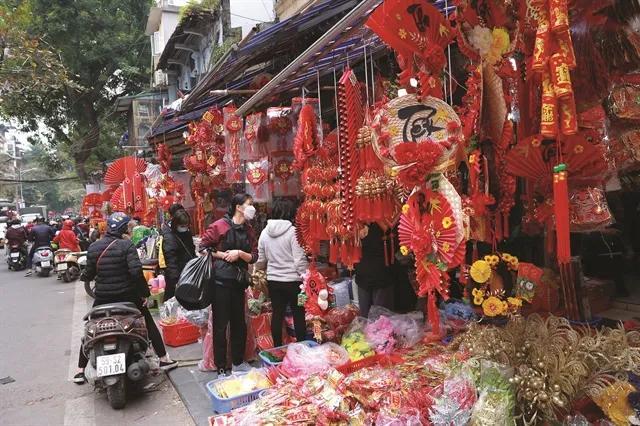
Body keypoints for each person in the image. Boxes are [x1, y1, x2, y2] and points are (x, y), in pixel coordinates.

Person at [74, 212, 177, 384]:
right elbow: (136, 273)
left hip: (103, 297)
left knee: (92, 327)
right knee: (148, 322)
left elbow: (89, 274)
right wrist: (144, 294)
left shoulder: (94, 247)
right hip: (127, 296)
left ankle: (79, 370)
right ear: (123, 229)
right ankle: (164, 358)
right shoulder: (126, 245)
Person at [200, 193, 258, 376]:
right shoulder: (219, 226)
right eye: (249, 204)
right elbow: (203, 248)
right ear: (238, 207)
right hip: (220, 283)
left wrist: (239, 253)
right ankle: (221, 366)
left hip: (239, 283)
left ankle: (238, 362)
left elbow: (254, 256)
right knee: (220, 325)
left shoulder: (249, 229)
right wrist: (223, 255)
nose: (252, 207)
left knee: (239, 324)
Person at [255, 199, 308, 346]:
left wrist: (260, 270)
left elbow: (261, 259)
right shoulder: (293, 232)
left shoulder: (264, 233)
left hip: (274, 282)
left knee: (277, 314)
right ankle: (301, 347)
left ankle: (277, 348)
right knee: (298, 313)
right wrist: (305, 276)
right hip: (293, 282)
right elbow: (299, 261)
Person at [353, 223, 396, 317]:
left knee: (373, 318)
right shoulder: (384, 221)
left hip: (373, 276)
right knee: (381, 319)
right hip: (374, 276)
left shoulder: (356, 222)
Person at [162, 206, 195, 300]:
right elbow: (171, 262)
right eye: (182, 226)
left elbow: (191, 252)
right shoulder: (169, 238)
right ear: (175, 224)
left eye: (186, 225)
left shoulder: (187, 234)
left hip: (188, 274)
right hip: (176, 278)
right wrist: (176, 282)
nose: (185, 228)